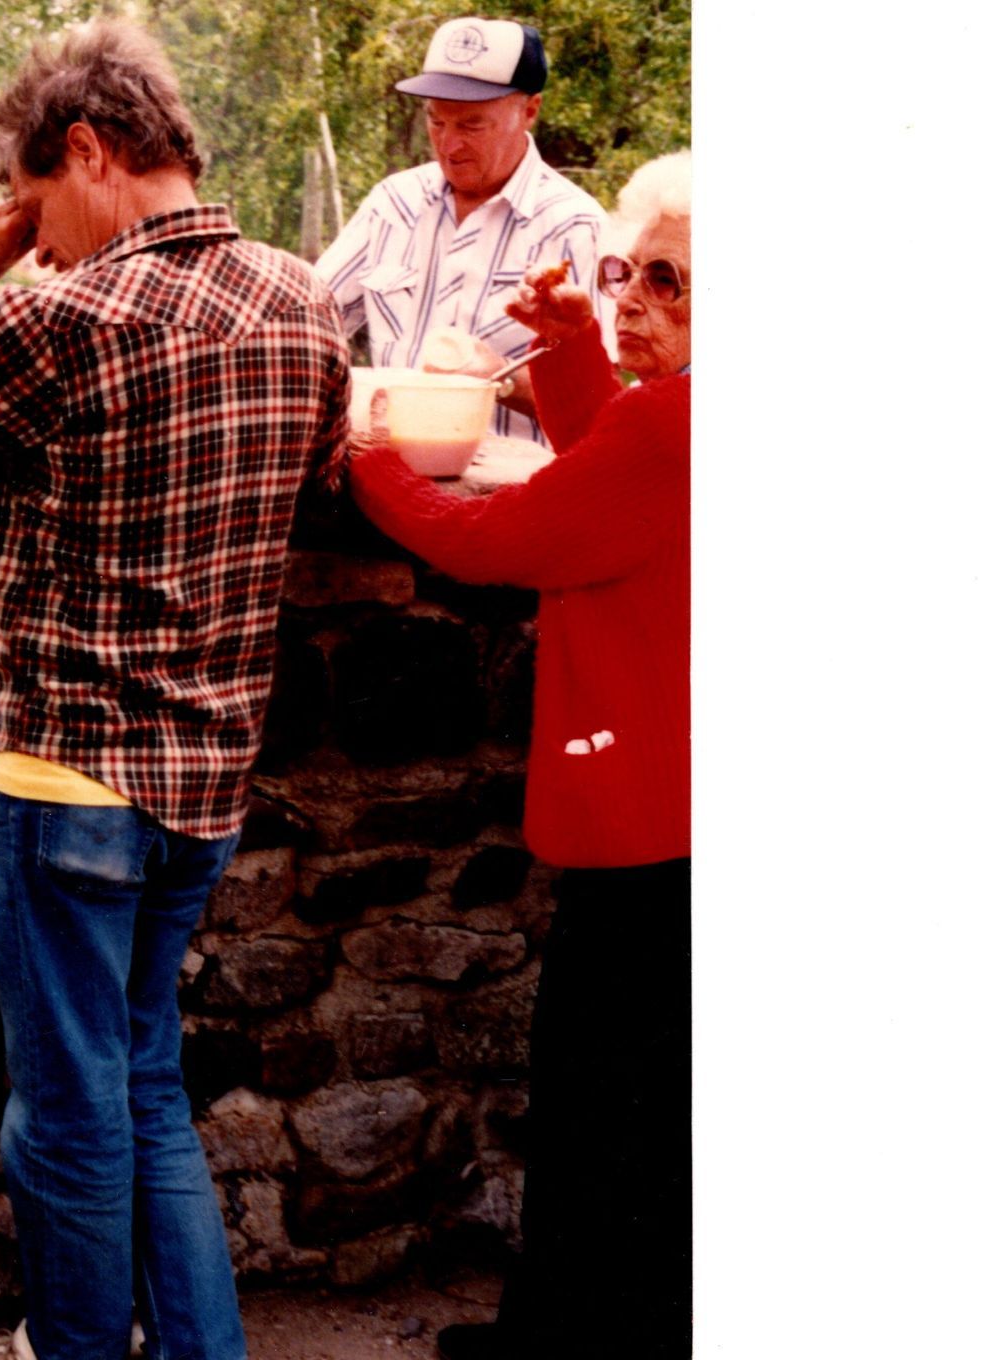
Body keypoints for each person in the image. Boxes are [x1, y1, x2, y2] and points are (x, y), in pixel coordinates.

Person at [0, 21, 350, 1360]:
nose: (35, 233)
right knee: (145, 1087)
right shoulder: (305, 298)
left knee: (67, 1118)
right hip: (209, 786)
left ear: (88, 152)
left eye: (33, 201)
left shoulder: (62, 315)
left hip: (74, 777)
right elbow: (319, 481)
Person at [339, 151, 692, 1360]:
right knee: (644, 1106)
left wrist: (372, 460)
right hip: (687, 812)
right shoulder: (684, 413)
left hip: (655, 816)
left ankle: (569, 1337)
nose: (632, 296)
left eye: (670, 283)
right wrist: (570, 349)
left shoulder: (673, 426)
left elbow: (510, 533)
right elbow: (615, 474)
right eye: (622, 271)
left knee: (605, 1101)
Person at [313, 16, 609, 444]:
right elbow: (310, 324)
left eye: (471, 125)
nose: (449, 145)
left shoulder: (574, 225)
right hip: (384, 475)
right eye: (437, 122)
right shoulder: (393, 203)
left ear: (529, 110)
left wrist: (497, 379)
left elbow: (605, 405)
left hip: (511, 491)